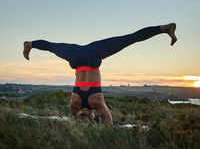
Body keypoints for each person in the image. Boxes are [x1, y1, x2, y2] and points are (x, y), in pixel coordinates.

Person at [23, 23, 177, 124]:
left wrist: (101, 124)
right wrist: (75, 121)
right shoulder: (74, 103)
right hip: (74, 56)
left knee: (129, 39)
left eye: (94, 118)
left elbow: (109, 123)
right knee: (51, 46)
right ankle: (30, 44)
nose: (96, 117)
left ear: (91, 116)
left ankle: (164, 29)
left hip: (92, 55)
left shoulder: (97, 103)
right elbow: (72, 118)